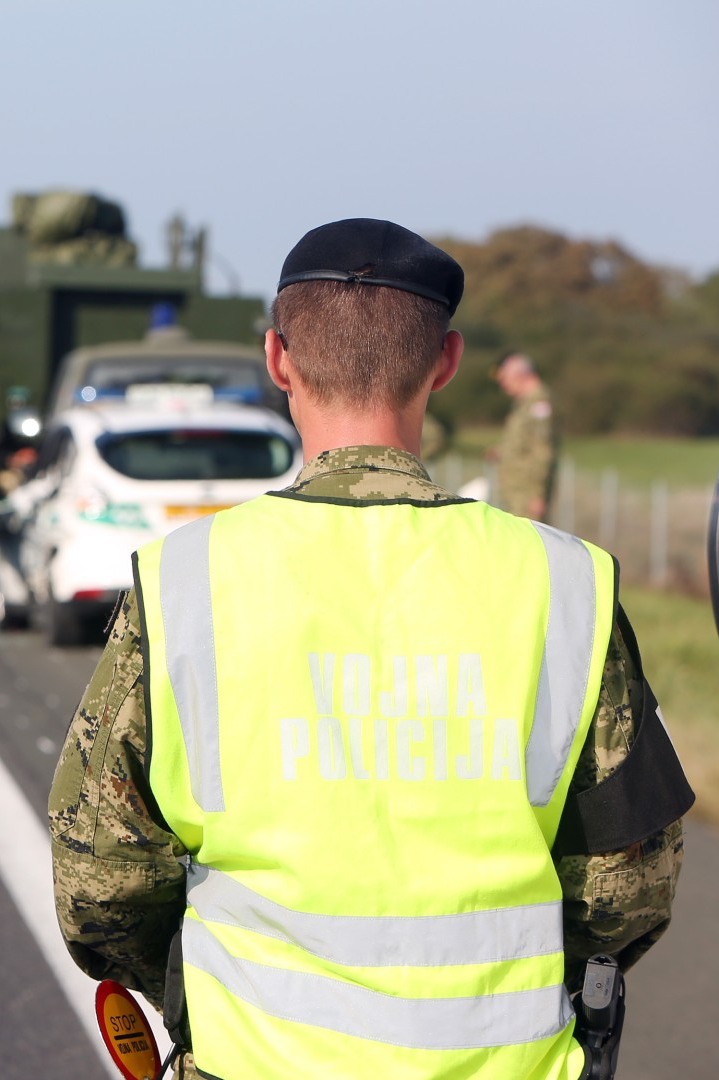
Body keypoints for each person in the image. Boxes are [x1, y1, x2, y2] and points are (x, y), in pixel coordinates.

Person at [47, 219, 690, 1080]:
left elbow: (103, 882)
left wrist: (190, 986)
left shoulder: (185, 580)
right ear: (446, 362)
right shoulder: (565, 581)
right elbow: (627, 888)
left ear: (278, 360)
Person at [491, 351, 560, 520]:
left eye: (504, 379)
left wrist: (537, 495)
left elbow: (542, 450)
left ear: (519, 375)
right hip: (517, 492)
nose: (504, 386)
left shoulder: (539, 403)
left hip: (527, 496)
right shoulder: (525, 403)